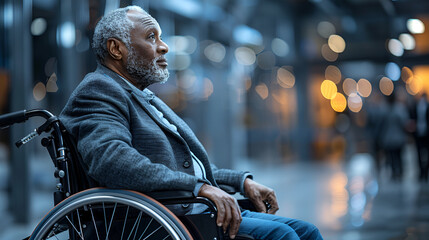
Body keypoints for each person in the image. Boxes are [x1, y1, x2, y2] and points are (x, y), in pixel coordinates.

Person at [60, 6, 323, 240]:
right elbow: (112, 161)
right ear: (117, 49)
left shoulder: (140, 95)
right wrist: (198, 187)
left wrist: (242, 182)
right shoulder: (99, 89)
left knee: (306, 231)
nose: (164, 46)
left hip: (189, 209)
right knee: (283, 235)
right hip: (159, 220)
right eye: (152, 37)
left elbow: (186, 169)